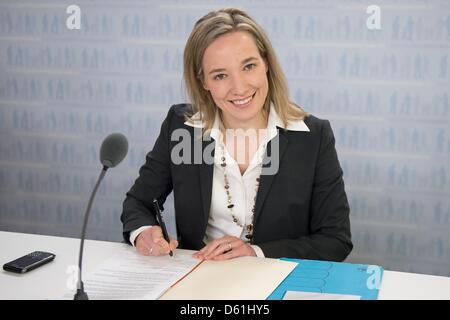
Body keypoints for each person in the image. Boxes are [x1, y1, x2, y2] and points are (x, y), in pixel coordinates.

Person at [121, 8, 352, 262]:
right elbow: (138, 203)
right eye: (220, 75)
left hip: (277, 281)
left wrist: (256, 252)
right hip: (201, 279)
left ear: (266, 64)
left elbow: (335, 240)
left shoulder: (313, 137)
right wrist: (143, 232)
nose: (239, 87)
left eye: (249, 66)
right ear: (203, 82)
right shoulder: (181, 127)